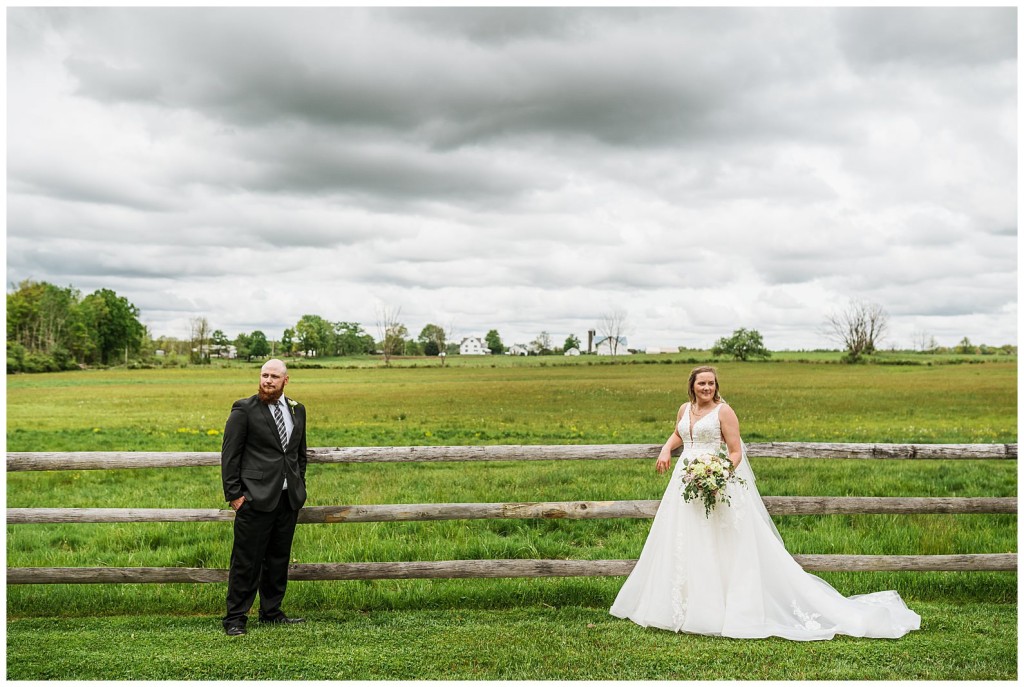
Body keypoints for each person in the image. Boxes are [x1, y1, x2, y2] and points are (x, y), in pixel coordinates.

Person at [610, 366, 920, 640]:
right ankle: (682, 604)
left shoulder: (724, 412)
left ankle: (723, 608)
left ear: (717, 387)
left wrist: (717, 475)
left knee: (721, 542)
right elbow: (680, 435)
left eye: (712, 384)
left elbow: (734, 451)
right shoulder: (684, 409)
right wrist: (666, 449)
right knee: (682, 539)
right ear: (691, 385)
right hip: (684, 482)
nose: (707, 388)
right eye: (702, 384)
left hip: (714, 482)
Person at [221, 358, 308, 636]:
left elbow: (298, 454)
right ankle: (235, 618)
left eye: (274, 376)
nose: (267, 380)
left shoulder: (298, 410)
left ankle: (271, 612)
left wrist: (299, 485)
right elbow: (230, 454)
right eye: (264, 375)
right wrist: (235, 495)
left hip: (287, 498)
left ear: (286, 380)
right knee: (246, 560)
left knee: (278, 558)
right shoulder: (244, 409)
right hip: (254, 498)